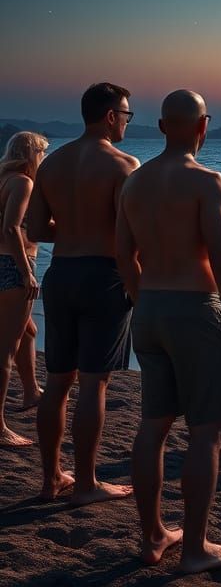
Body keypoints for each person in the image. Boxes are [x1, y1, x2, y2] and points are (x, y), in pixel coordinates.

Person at [116, 90, 221, 572]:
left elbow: (123, 255)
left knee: (153, 425)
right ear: (203, 126)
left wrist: (141, 300)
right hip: (194, 308)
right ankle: (195, 547)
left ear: (159, 126)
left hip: (149, 307)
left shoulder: (134, 182)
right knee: (207, 431)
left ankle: (154, 534)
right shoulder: (207, 180)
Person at [26, 83, 138, 504]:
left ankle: (51, 477)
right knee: (94, 385)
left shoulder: (51, 165)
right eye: (126, 114)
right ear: (110, 115)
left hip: (61, 275)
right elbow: (131, 236)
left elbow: (35, 230)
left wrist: (73, 229)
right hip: (103, 276)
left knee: (57, 383)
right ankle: (88, 482)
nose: (128, 121)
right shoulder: (123, 164)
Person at [0, 131, 48, 445]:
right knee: (5, 350)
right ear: (31, 154)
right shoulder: (23, 182)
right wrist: (25, 272)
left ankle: (31, 392)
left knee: (27, 331)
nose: (43, 159)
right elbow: (11, 226)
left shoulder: (4, 179)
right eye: (42, 153)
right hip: (12, 266)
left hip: (1, 262)